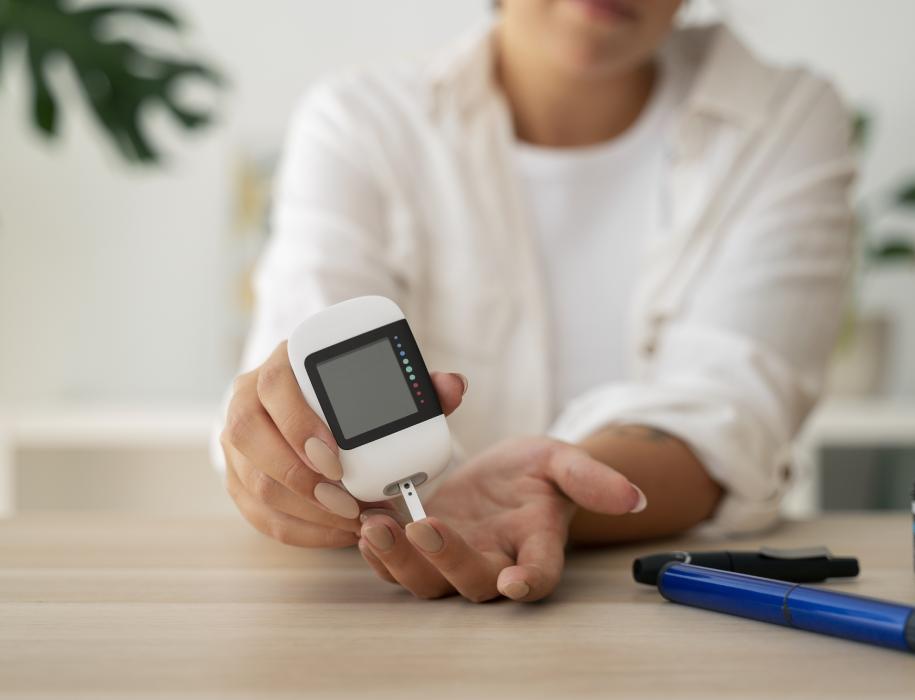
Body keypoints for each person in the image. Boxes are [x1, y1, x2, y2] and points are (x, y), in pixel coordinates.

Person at [217, 0, 855, 603]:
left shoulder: (783, 117)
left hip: (650, 608)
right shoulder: (360, 120)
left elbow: (731, 414)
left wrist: (552, 493)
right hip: (384, 615)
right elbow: (294, 369)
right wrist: (278, 452)